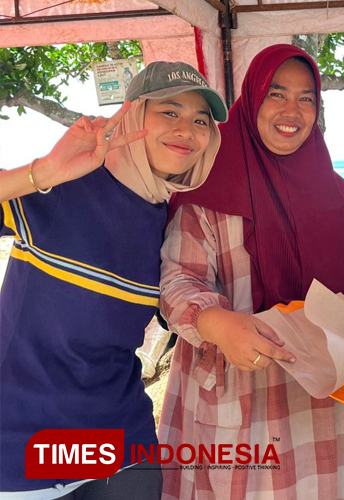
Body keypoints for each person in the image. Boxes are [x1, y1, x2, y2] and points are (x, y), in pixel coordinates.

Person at [158, 44, 344, 500]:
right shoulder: (209, 185)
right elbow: (176, 281)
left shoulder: (334, 193)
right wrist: (217, 322)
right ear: (252, 99)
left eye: (306, 98)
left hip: (324, 392)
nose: (292, 111)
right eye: (277, 93)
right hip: (237, 391)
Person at [0, 61, 227, 499]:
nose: (187, 129)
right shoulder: (65, 186)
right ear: (134, 115)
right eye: (170, 112)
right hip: (21, 442)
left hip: (121, 443)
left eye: (201, 120)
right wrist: (43, 171)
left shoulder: (173, 218)